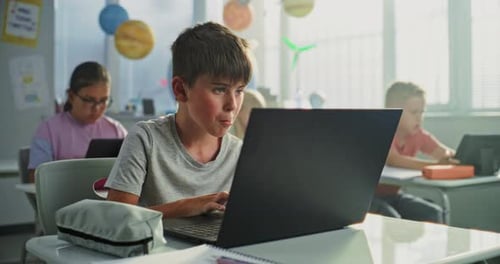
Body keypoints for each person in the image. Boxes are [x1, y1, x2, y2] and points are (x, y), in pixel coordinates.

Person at [105, 22, 252, 219]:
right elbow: (114, 219)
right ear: (180, 90)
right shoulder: (146, 139)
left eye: (239, 90)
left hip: (213, 250)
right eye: (219, 89)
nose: (232, 104)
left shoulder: (240, 153)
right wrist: (186, 207)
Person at [370, 81, 458, 223]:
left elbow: (444, 152)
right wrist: (436, 165)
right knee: (393, 219)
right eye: (413, 112)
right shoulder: (381, 131)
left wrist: (451, 156)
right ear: (393, 111)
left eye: (422, 112)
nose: (419, 118)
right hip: (368, 198)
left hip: (395, 196)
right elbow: (394, 160)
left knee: (432, 212)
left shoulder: (418, 135)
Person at [27, 61, 127, 183]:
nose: (96, 108)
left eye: (103, 101)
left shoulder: (116, 130)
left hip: (105, 199)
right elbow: (36, 179)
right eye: (89, 100)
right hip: (63, 200)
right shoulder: (48, 130)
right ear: (71, 96)